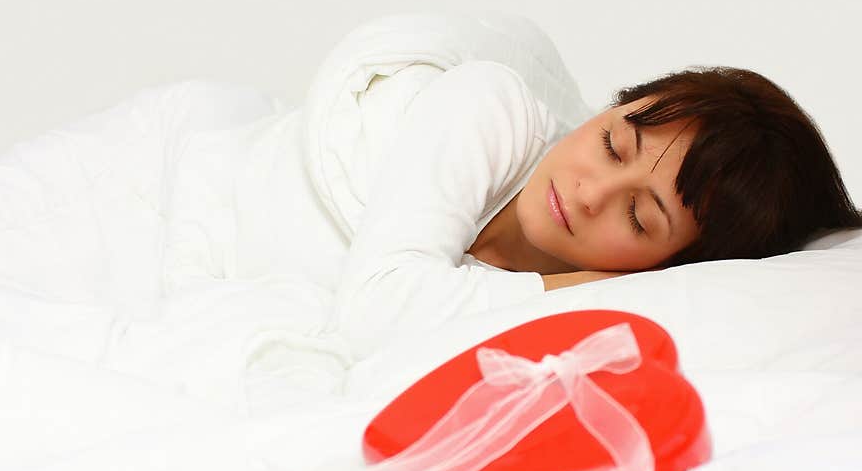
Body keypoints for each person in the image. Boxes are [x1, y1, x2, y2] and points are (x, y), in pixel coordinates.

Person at [334, 60, 861, 355]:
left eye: (638, 217)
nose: (588, 194)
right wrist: (586, 283)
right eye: (613, 144)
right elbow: (374, 315)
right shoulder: (490, 108)